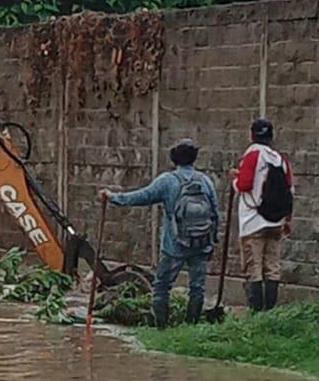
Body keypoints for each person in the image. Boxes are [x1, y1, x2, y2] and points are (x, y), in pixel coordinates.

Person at [99, 139, 220, 328]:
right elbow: (214, 213)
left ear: (174, 158)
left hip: (175, 246)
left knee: (162, 286)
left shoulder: (167, 181)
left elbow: (142, 196)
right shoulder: (205, 181)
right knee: (197, 288)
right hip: (201, 244)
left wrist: (113, 197)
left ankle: (161, 327)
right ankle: (192, 326)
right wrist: (212, 241)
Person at [231, 117, 294, 313]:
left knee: (254, 267)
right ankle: (271, 311)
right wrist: (288, 219)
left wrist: (234, 179)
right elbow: (290, 190)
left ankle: (257, 312)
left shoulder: (252, 155)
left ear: (251, 135)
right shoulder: (279, 159)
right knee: (272, 266)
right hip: (276, 220)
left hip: (253, 221)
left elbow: (244, 185)